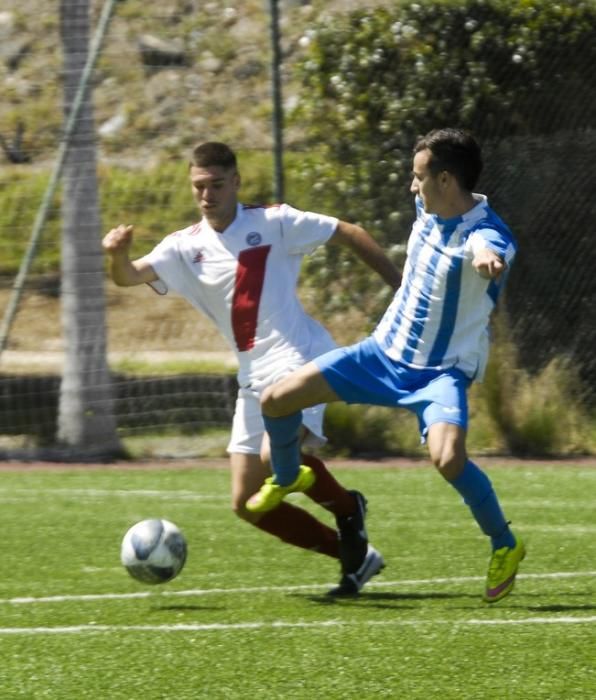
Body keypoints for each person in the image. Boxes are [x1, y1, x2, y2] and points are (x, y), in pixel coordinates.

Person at [102, 141, 402, 596]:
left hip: (301, 358)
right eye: (199, 186)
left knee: (273, 456)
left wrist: (401, 291)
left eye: (217, 185)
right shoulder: (184, 248)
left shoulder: (274, 222)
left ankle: (347, 510)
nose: (207, 195)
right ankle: (349, 553)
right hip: (253, 377)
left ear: (236, 183)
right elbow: (128, 276)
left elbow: (350, 231)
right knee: (246, 503)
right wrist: (117, 255)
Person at [250, 128, 526, 603]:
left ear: (445, 179)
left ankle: (505, 544)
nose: (411, 187)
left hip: (439, 374)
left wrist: (486, 259)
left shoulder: (488, 234)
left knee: (447, 458)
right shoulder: (429, 206)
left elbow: (488, 245)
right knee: (276, 401)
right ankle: (289, 473)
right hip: (380, 356)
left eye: (419, 177)